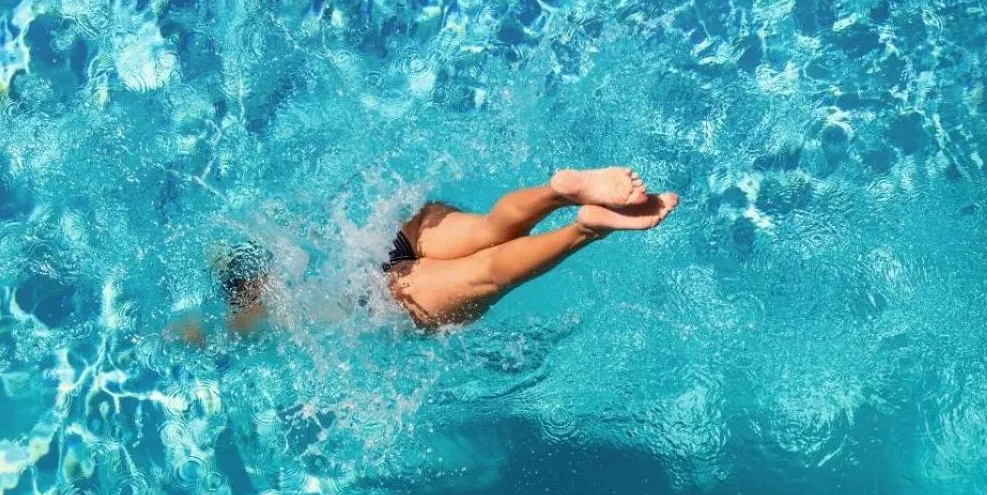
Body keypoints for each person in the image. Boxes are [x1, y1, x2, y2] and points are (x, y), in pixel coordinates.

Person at [174, 167, 678, 342]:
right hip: (390, 236)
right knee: (488, 228)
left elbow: (207, 336)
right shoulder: (292, 243)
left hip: (384, 299)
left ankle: (584, 229)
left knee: (488, 273)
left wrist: (179, 335)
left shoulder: (255, 316)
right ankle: (562, 191)